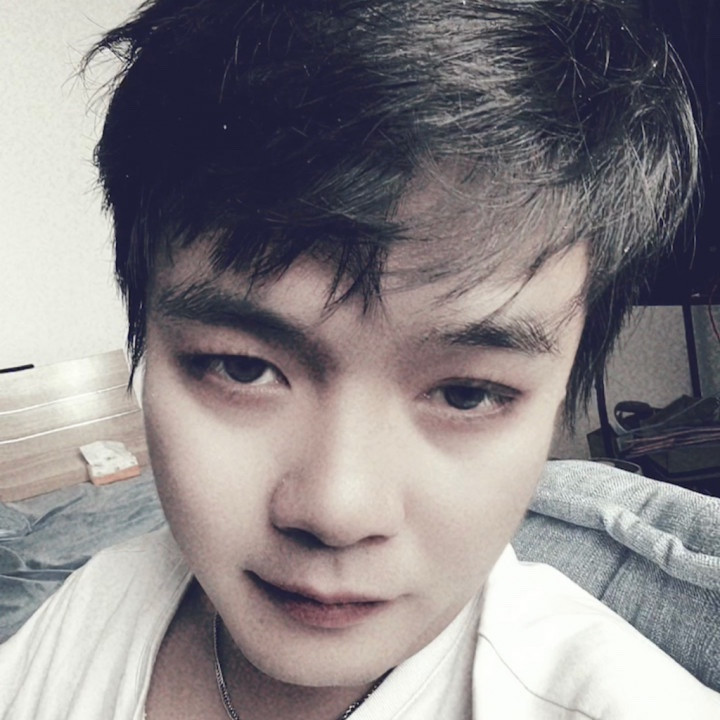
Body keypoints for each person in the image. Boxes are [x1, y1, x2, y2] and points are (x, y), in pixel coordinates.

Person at [1, 0, 718, 718]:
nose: (336, 511)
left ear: (561, 399)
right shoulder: (84, 613)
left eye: (467, 393)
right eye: (243, 368)